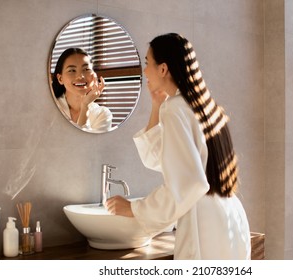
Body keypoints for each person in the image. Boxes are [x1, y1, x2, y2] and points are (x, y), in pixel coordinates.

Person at [105, 33, 251, 260]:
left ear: (163, 69)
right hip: (230, 219)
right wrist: (156, 106)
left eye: (147, 63)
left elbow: (188, 184)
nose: (144, 71)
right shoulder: (205, 106)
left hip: (204, 226)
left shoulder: (175, 109)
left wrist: (134, 209)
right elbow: (158, 159)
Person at [52, 48, 113, 132]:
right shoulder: (50, 108)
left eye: (86, 69)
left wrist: (85, 106)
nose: (80, 76)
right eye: (72, 70)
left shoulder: (102, 114)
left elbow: (87, 144)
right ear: (60, 78)